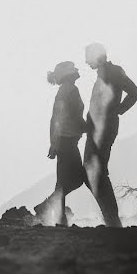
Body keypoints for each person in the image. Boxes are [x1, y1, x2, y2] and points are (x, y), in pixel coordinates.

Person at [83, 43, 137, 227]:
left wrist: (118, 110)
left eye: (88, 57)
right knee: (92, 172)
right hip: (96, 129)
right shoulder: (102, 74)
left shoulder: (115, 72)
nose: (85, 61)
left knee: (96, 172)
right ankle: (111, 219)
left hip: (105, 129)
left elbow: (135, 92)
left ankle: (112, 221)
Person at [37, 61, 87, 227]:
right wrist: (90, 127)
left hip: (64, 140)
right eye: (74, 70)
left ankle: (60, 218)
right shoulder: (70, 90)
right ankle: (48, 207)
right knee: (77, 179)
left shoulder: (64, 90)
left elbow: (56, 119)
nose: (77, 71)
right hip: (68, 141)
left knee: (63, 181)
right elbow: (71, 118)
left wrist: (54, 142)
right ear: (69, 74)